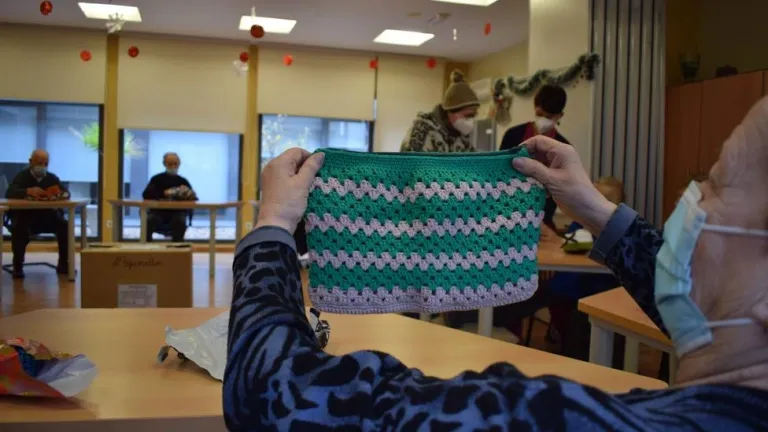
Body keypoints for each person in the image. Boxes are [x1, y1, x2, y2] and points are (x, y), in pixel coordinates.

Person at [223, 97, 768, 431]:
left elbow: (272, 392)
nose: (691, 202)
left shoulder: (550, 421)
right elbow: (709, 298)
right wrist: (596, 210)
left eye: (715, 188)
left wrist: (273, 224)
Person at [500, 84, 570, 231]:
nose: (543, 120)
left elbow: (559, 190)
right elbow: (499, 175)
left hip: (543, 221)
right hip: (507, 213)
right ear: (534, 107)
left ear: (560, 116)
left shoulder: (564, 148)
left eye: (549, 117)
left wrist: (542, 219)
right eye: (539, 114)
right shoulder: (513, 135)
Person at [5, 149, 70, 279]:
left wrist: (58, 195)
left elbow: (66, 193)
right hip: (26, 217)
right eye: (39, 163)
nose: (42, 166)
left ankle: (64, 264)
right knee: (18, 229)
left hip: (48, 217)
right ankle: (18, 266)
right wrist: (27, 191)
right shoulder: (22, 177)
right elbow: (9, 193)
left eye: (45, 163)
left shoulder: (51, 178)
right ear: (31, 162)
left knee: (65, 226)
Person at [400, 70, 480, 153]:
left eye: (474, 116)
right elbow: (412, 160)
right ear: (451, 112)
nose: (471, 121)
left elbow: (474, 158)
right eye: (468, 116)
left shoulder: (461, 136)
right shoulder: (422, 131)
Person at [142, 152, 197, 242]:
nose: (173, 166)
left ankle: (177, 248)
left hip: (177, 213)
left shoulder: (183, 181)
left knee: (179, 221)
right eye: (170, 164)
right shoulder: (156, 179)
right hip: (158, 212)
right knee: (149, 221)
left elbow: (193, 199)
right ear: (164, 164)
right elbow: (146, 195)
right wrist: (164, 193)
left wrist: (185, 193)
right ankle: (146, 247)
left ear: (179, 164)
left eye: (175, 164)